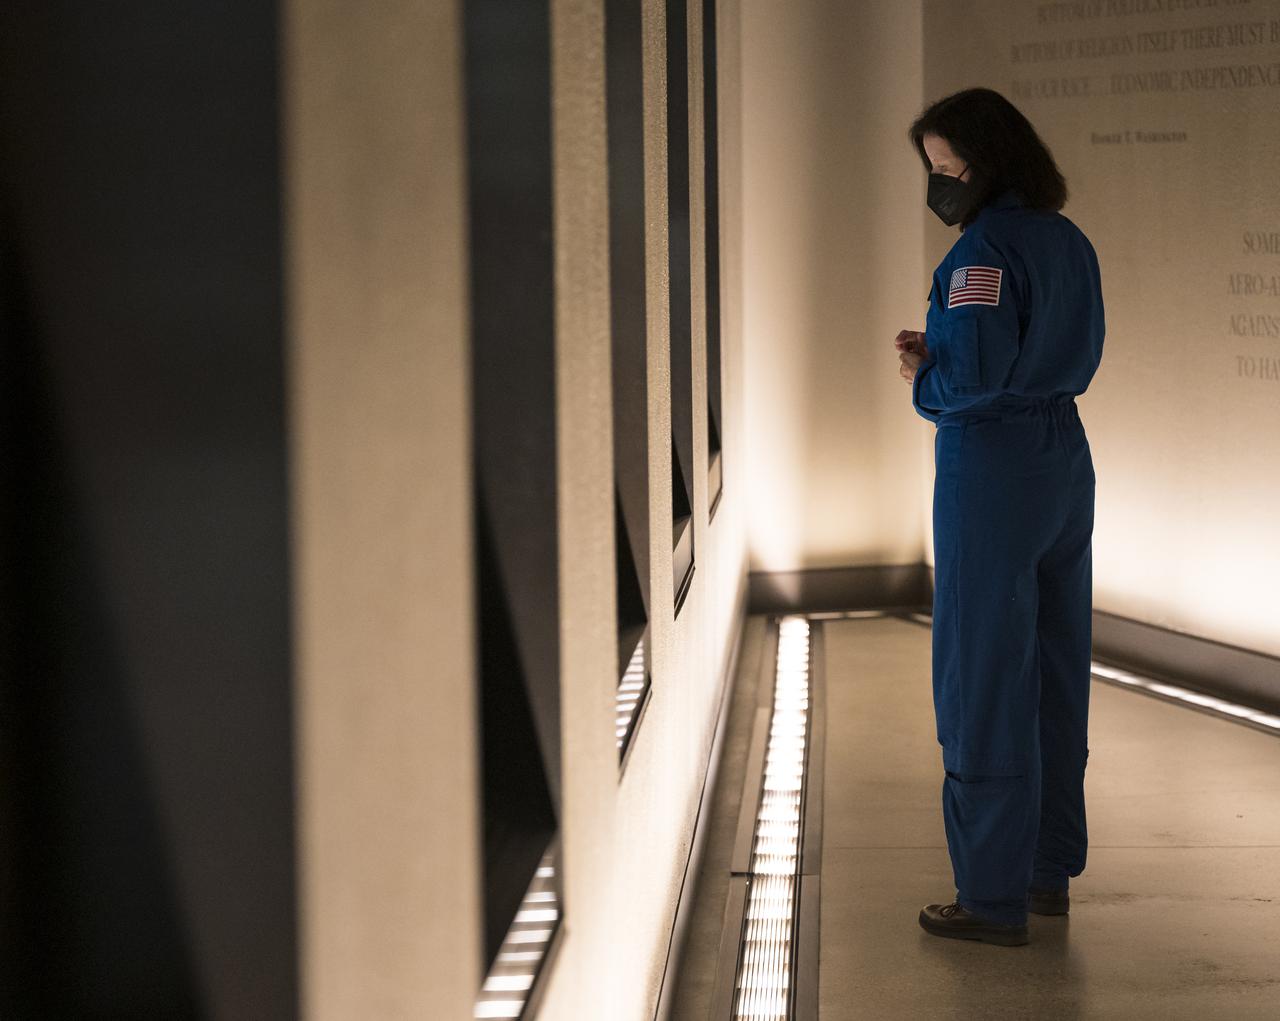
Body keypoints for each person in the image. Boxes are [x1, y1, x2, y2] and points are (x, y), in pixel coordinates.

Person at [894, 87, 1105, 947]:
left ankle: (989, 893)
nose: (940, 182)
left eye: (946, 166)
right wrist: (950, 355)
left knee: (981, 673)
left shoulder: (980, 253)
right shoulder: (1066, 239)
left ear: (986, 161)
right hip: (1063, 461)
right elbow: (1043, 348)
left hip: (991, 468)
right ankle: (1046, 869)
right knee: (1056, 666)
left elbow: (976, 380)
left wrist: (924, 377)